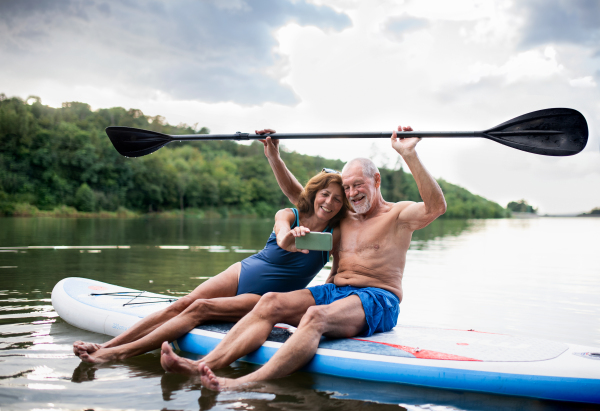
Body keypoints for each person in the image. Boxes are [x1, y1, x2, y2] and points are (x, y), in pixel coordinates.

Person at [159, 125, 447, 391]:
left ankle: (244, 382)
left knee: (315, 316)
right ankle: (201, 366)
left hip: (377, 299)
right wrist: (275, 156)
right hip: (337, 291)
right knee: (269, 301)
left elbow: (436, 206)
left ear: (376, 179)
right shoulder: (343, 218)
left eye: (358, 185)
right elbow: (301, 197)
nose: (351, 193)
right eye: (346, 188)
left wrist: (409, 154)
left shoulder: (398, 215)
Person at [72, 129, 351, 364]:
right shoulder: (290, 214)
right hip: (243, 271)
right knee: (180, 304)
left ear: (342, 206)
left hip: (267, 297)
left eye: (337, 199)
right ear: (314, 194)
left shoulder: (336, 234)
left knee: (201, 307)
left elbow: (336, 273)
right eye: (324, 194)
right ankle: (108, 346)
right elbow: (282, 234)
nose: (328, 202)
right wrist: (288, 236)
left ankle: (117, 354)